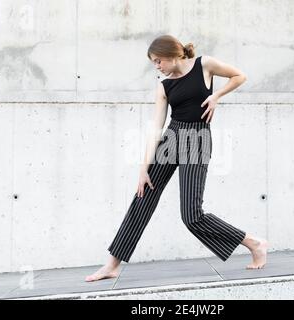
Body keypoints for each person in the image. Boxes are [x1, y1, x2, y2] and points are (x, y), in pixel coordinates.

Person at [85, 35, 268, 282]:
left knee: (192, 216)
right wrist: (143, 167)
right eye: (154, 63)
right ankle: (112, 265)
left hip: (198, 139)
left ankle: (254, 243)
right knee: (143, 196)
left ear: (172, 54)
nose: (157, 67)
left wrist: (216, 96)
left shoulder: (205, 65)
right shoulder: (164, 86)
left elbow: (239, 76)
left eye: (158, 61)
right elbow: (156, 128)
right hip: (171, 139)